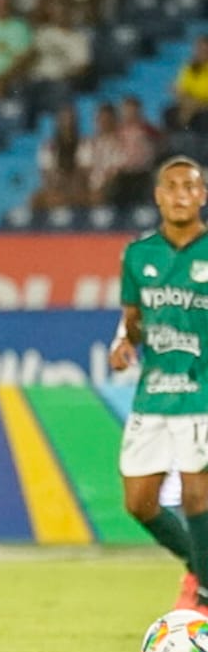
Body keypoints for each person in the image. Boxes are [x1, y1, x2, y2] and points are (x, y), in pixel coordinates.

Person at [108, 156, 208, 611]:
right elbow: (134, 319)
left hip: (201, 388)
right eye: (172, 186)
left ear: (202, 195)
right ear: (158, 196)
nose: (181, 193)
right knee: (139, 502)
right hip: (154, 391)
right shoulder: (138, 255)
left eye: (190, 186)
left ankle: (204, 596)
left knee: (195, 492)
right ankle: (199, 564)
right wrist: (123, 342)